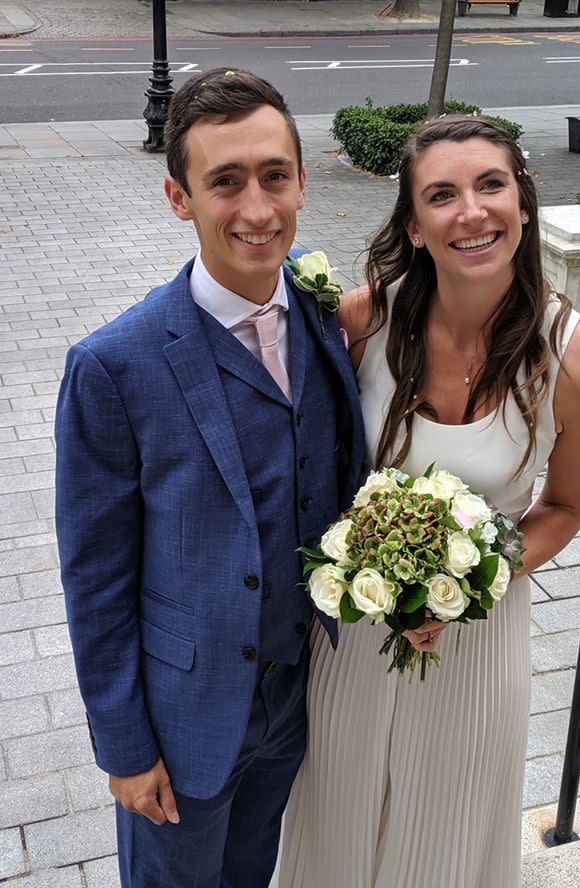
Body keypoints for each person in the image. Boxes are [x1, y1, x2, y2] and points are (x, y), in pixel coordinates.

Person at [276, 114, 580, 888]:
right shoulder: (362, 322)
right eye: (443, 195)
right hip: (356, 630)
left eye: (491, 185)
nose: (472, 212)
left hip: (478, 637)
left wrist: (473, 584)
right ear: (417, 225)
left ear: (524, 204)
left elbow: (563, 509)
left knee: (448, 830)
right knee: (336, 816)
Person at [55, 67, 365, 888]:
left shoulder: (325, 319)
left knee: (251, 874)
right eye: (225, 182)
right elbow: (95, 575)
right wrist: (123, 746)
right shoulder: (112, 366)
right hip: (180, 723)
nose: (257, 210)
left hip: (293, 701)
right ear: (178, 196)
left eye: (273, 176)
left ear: (302, 179)